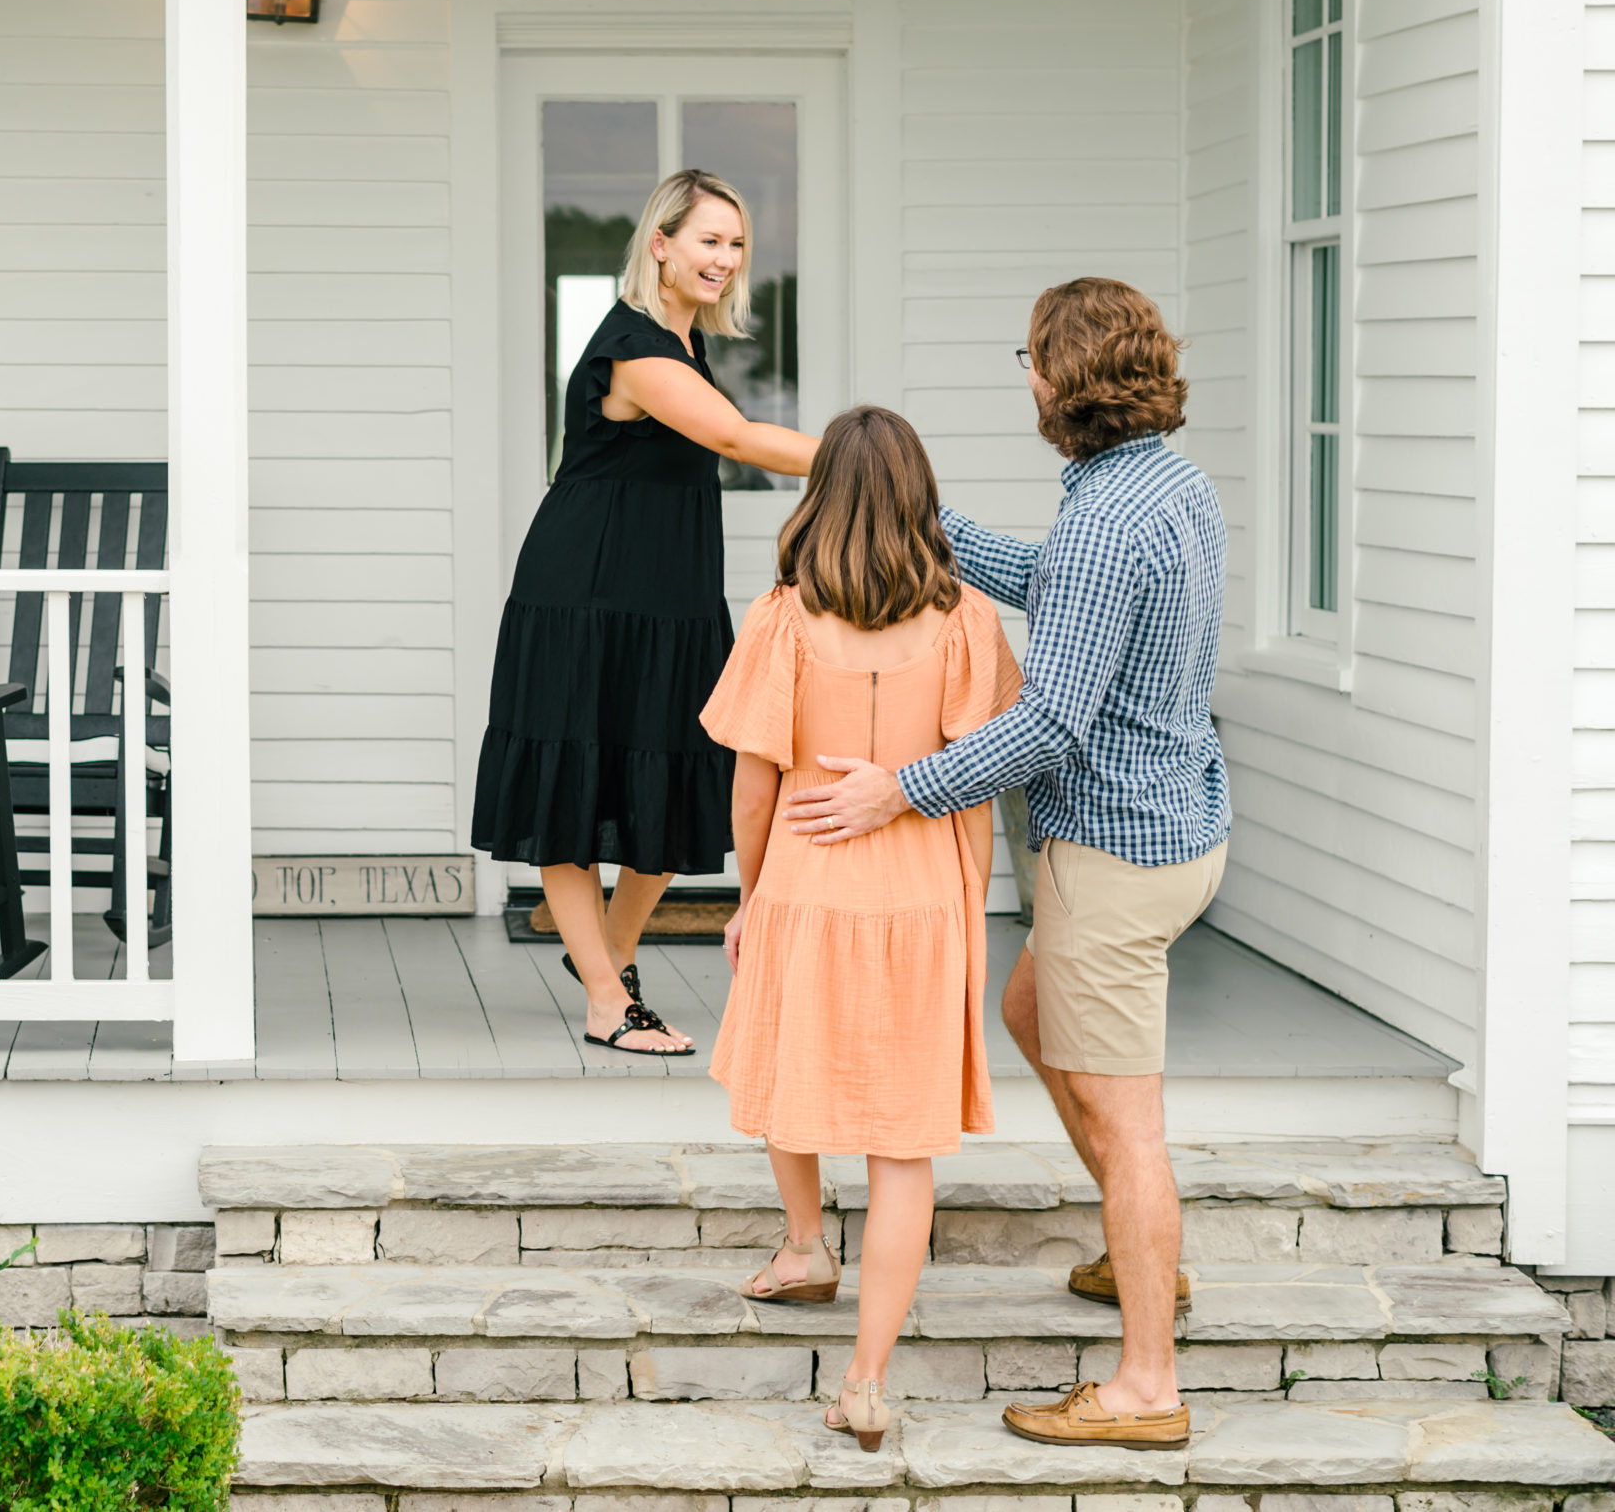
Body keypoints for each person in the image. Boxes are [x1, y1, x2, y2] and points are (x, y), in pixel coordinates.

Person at [780, 277, 1229, 1452]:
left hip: (1115, 852)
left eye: (1028, 359)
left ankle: (1145, 1379)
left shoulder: (1104, 519)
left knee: (1131, 1126)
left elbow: (1050, 724)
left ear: (1059, 380)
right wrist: (923, 524)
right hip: (1183, 822)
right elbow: (1062, 593)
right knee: (1030, 1011)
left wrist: (896, 788)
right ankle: (1146, 1256)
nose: (1021, 374)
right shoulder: (1162, 483)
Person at [702, 405, 1022, 1455]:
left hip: (805, 875)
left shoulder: (781, 619)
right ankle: (868, 1380)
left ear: (820, 495)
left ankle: (803, 1241)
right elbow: (981, 769)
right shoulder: (972, 618)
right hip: (923, 892)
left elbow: (753, 784)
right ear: (921, 496)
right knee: (900, 1149)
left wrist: (750, 892)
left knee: (785, 1068)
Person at [472, 168, 816, 1055]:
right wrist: (867, 453)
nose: (726, 259)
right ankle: (606, 998)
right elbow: (737, 439)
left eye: (737, 244)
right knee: (572, 787)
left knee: (675, 784)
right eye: (708, 240)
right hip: (584, 593)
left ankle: (607, 960)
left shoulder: (686, 343)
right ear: (659, 244)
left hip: (669, 598)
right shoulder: (633, 346)